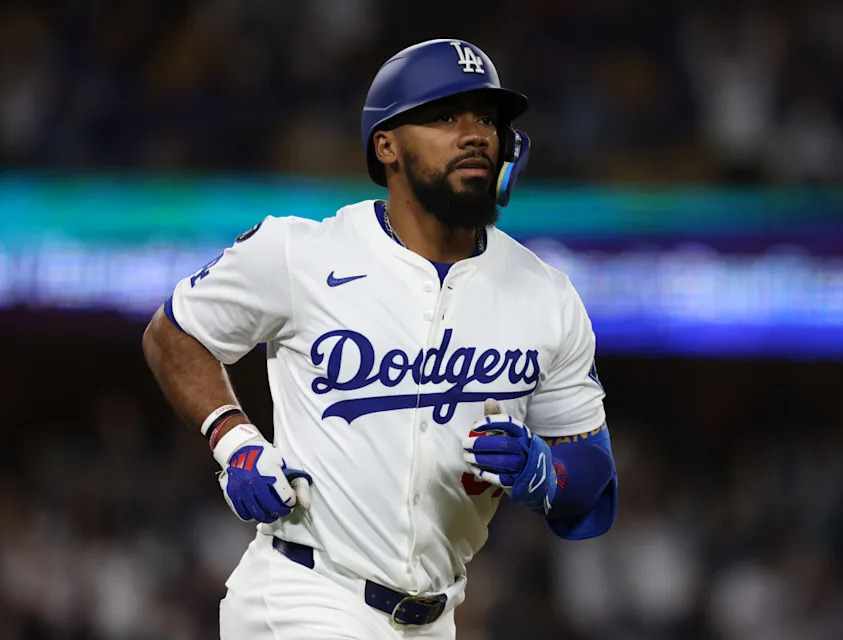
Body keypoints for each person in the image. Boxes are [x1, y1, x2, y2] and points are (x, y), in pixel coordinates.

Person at [142, 38, 618, 639]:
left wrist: (546, 472)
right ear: (386, 145)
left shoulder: (546, 295)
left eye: (487, 118)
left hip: (435, 618)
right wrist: (233, 439)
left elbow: (593, 476)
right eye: (446, 116)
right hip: (304, 593)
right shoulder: (303, 253)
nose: (475, 134)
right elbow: (174, 333)